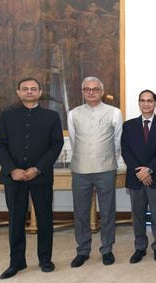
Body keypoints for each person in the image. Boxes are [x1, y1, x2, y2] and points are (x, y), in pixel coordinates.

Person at [0, 77, 64, 279]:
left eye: (34, 89)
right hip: (13, 177)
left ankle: (45, 259)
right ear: (18, 92)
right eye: (25, 89)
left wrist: (38, 168)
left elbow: (56, 145)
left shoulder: (51, 117)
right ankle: (16, 262)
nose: (29, 92)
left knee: (45, 219)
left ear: (40, 93)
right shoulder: (7, 116)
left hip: (40, 176)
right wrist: (12, 169)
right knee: (15, 220)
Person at [68, 76, 122, 267]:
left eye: (95, 89)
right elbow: (74, 141)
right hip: (80, 169)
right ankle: (83, 250)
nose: (91, 92)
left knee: (107, 211)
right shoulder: (73, 113)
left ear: (102, 90)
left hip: (106, 168)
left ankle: (107, 249)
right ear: (82, 92)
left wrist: (108, 158)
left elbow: (117, 141)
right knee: (81, 212)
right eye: (87, 89)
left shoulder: (114, 112)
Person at [121, 89, 156, 263]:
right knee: (138, 214)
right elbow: (126, 150)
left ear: (155, 104)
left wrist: (149, 169)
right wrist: (140, 171)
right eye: (142, 100)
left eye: (149, 101)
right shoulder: (128, 125)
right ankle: (140, 247)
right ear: (139, 103)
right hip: (136, 177)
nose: (146, 103)